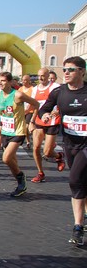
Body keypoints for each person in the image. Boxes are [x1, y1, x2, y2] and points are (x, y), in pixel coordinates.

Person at [38, 57, 87, 246]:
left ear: (82, 71)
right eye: (64, 69)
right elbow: (43, 109)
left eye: (71, 69)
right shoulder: (59, 92)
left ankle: (77, 226)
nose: (66, 73)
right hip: (70, 144)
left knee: (75, 180)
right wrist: (47, 115)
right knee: (81, 182)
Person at [0, 72, 39, 197]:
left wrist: (31, 121)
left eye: (3, 80)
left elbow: (36, 104)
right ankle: (21, 185)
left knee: (6, 158)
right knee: (12, 160)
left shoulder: (18, 95)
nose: (0, 83)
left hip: (18, 131)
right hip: (5, 132)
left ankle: (21, 178)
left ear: (10, 82)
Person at [30, 68, 64, 183]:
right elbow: (35, 107)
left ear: (48, 75)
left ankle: (58, 156)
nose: (40, 78)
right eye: (39, 76)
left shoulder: (55, 87)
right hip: (39, 120)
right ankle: (40, 173)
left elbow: (62, 102)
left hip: (53, 121)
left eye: (43, 76)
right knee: (35, 148)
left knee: (47, 152)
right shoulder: (34, 90)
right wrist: (31, 122)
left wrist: (58, 111)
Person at [19, 74, 34, 149]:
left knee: (27, 127)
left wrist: (28, 108)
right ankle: (28, 141)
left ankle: (29, 138)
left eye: (25, 80)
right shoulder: (20, 89)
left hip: (30, 111)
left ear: (29, 81)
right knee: (23, 127)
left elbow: (34, 101)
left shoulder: (32, 89)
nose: (23, 81)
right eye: (22, 80)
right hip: (22, 111)